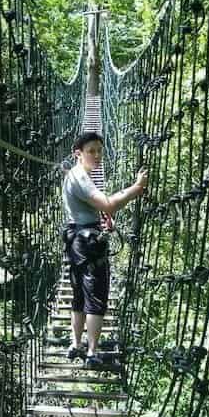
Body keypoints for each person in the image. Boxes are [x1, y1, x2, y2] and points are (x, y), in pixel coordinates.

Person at [61, 130, 149, 367]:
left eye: (100, 150)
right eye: (91, 151)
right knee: (96, 295)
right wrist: (136, 188)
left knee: (79, 294)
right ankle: (91, 353)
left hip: (76, 239)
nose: (97, 155)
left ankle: (76, 344)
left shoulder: (76, 175)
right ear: (78, 154)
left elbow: (92, 207)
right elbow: (109, 203)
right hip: (87, 245)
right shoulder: (79, 176)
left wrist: (100, 218)